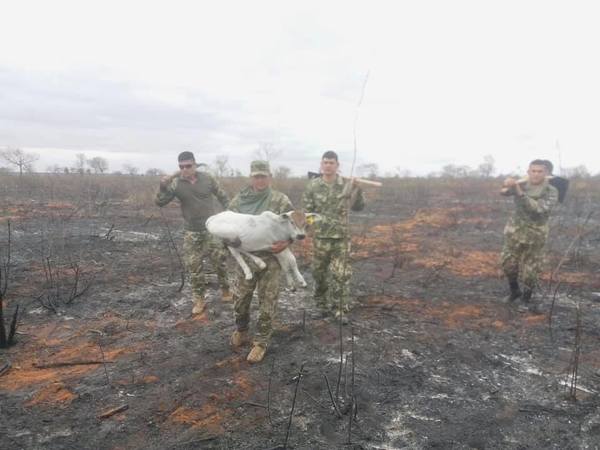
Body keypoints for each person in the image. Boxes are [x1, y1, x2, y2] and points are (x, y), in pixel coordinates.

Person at [228, 160, 294, 363]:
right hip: (247, 259)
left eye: (263, 176)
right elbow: (228, 223)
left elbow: (294, 226)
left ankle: (261, 342)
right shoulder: (240, 200)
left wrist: (286, 243)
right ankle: (242, 329)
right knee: (241, 299)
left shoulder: (280, 200)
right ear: (251, 177)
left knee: (268, 301)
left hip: (271, 259)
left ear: (269, 177)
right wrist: (230, 240)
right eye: (256, 176)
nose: (260, 180)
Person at [155, 151, 231, 314]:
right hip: (192, 232)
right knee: (194, 267)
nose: (185, 169)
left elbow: (223, 197)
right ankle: (199, 299)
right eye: (181, 167)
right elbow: (160, 202)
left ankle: (226, 290)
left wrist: (230, 217)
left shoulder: (207, 178)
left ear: (195, 164)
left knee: (220, 262)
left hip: (212, 229)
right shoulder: (175, 183)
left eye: (188, 166)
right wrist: (163, 186)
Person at [301, 151, 365, 322]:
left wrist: (357, 189)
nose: (328, 165)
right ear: (321, 165)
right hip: (321, 238)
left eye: (331, 162)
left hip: (341, 238)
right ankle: (321, 304)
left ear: (337, 165)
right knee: (319, 273)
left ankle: (339, 309)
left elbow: (358, 207)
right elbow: (307, 212)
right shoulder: (313, 186)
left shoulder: (346, 184)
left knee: (341, 273)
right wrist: (312, 227)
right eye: (325, 162)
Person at [500, 159, 559, 311]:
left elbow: (538, 209)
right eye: (533, 171)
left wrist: (520, 193)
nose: (536, 174)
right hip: (515, 231)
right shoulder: (523, 184)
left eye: (540, 171)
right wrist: (508, 183)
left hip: (535, 234)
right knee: (508, 264)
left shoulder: (551, 191)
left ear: (546, 173)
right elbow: (503, 192)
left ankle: (526, 298)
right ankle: (514, 291)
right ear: (528, 172)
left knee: (530, 269)